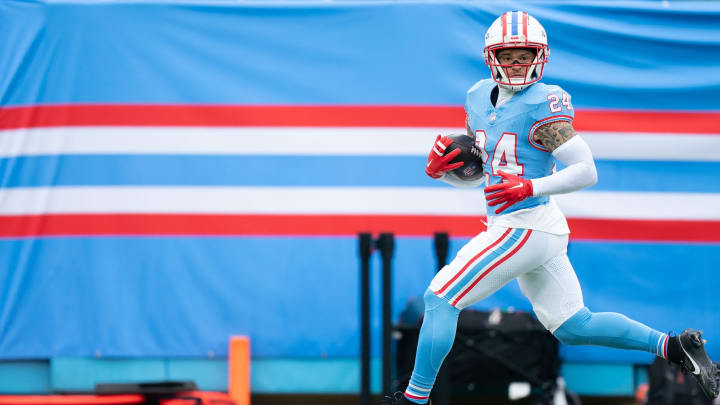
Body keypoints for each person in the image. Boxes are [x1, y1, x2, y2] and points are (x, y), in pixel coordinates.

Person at [381, 10, 720, 405]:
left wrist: (530, 187)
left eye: (523, 55)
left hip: (524, 225)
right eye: (507, 56)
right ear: (492, 58)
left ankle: (414, 399)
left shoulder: (543, 103)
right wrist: (446, 173)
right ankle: (676, 347)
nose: (515, 64)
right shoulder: (477, 96)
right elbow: (489, 173)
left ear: (539, 57)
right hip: (527, 224)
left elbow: (586, 170)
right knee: (574, 325)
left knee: (441, 298)